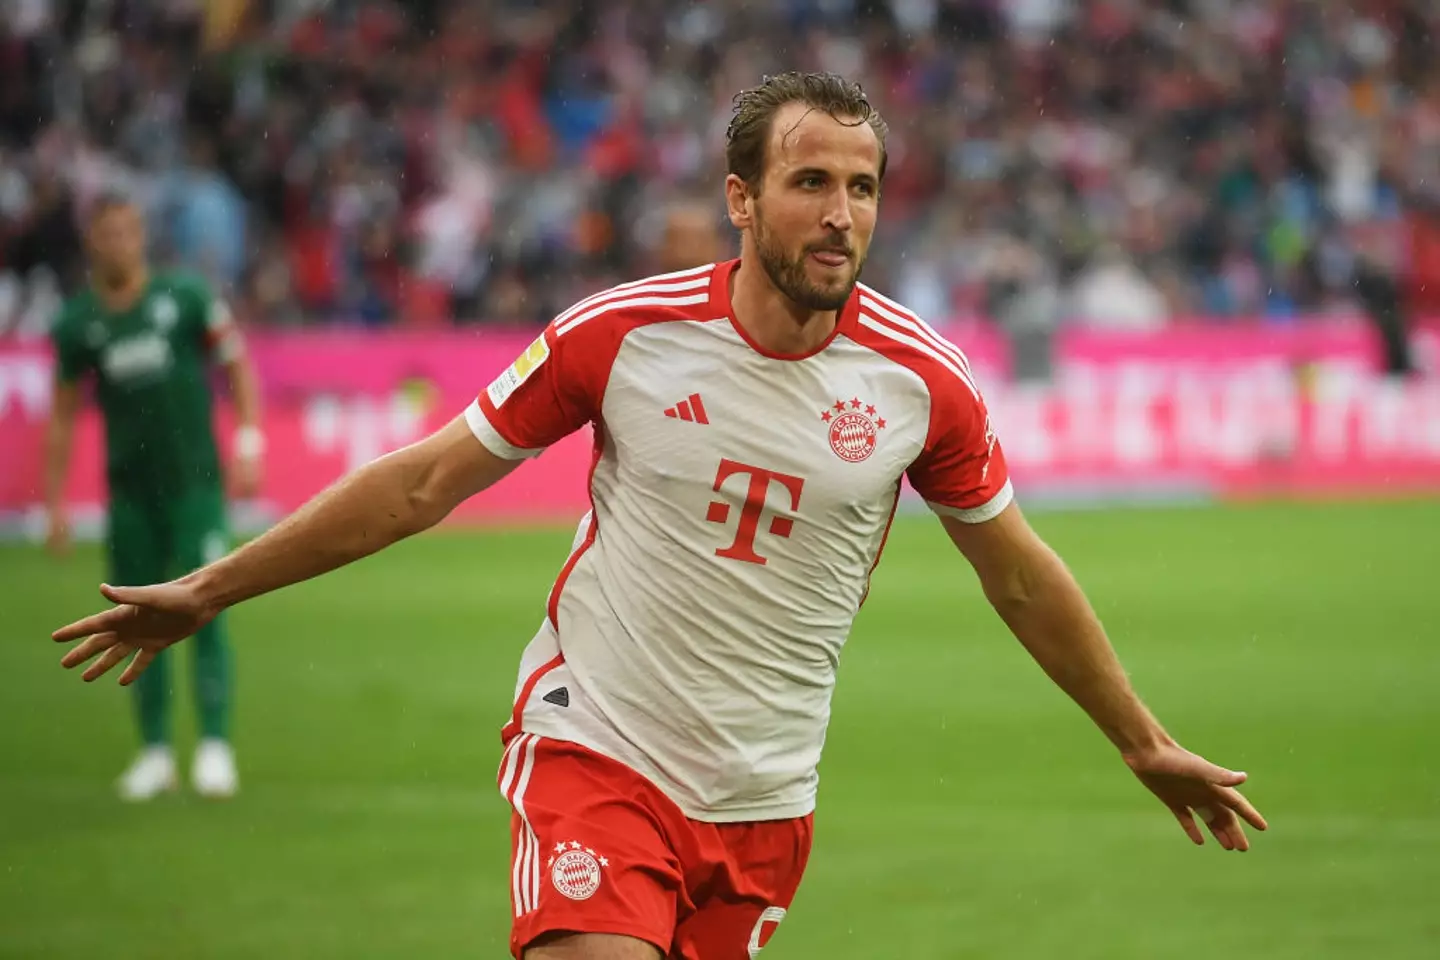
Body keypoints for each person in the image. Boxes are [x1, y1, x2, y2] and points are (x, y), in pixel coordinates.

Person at [51, 74, 1266, 959]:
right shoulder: (619, 334)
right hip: (598, 752)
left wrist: (1138, 738)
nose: (841, 213)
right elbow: (424, 482)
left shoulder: (922, 382)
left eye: (862, 187)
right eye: (810, 183)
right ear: (741, 200)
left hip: (764, 799)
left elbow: (1017, 573)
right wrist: (211, 589)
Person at [45, 192, 263, 802]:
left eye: (128, 231)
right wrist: (57, 502)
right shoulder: (79, 324)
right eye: (107, 234)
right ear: (93, 242)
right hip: (130, 499)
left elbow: (237, 365)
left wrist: (249, 440)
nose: (119, 243)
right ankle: (155, 752)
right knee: (135, 618)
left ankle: (216, 745)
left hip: (195, 487)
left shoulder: (185, 298)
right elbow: (63, 417)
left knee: (208, 604)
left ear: (140, 235)